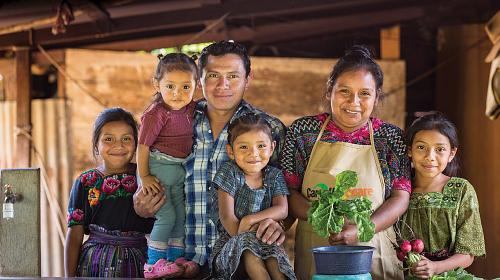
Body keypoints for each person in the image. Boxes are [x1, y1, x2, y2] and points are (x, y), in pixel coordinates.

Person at [133, 40, 287, 278]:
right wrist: (141, 203)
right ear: (199, 79)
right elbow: (150, 165)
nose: (222, 85)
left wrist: (277, 226)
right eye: (213, 75)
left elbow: (283, 191)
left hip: (241, 263)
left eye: (233, 76)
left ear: (248, 78)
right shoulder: (175, 120)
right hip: (182, 265)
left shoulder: (268, 129)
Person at [280, 45, 411, 280]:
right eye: (344, 91)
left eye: (365, 93)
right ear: (330, 91)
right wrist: (324, 218)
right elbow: (287, 191)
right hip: (317, 248)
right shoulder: (302, 133)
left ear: (377, 97)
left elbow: (400, 197)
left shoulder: (391, 138)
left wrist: (362, 228)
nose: (354, 102)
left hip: (374, 250)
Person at [64, 108, 154, 277]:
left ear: (136, 144)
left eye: (126, 139)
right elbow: (75, 235)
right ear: (96, 145)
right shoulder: (85, 182)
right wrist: (69, 277)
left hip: (138, 264)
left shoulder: (145, 178)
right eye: (108, 139)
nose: (118, 145)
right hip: (94, 265)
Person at [210, 113, 296, 280]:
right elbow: (227, 217)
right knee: (249, 248)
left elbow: (282, 209)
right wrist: (249, 232)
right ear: (230, 151)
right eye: (243, 147)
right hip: (231, 246)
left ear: (272, 148)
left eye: (261, 146)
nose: (253, 153)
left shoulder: (274, 175)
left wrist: (249, 220)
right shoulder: (229, 173)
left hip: (261, 239)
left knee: (274, 253)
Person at [401, 112, 486, 279]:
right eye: (421, 147)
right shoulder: (400, 192)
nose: (429, 157)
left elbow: (468, 252)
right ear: (410, 150)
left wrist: (436, 267)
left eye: (439, 149)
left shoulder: (461, 190)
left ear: (451, 154)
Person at [137, 53, 199, 278]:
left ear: (196, 84)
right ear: (157, 84)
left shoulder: (192, 109)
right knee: (167, 217)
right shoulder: (156, 114)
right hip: (156, 169)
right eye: (170, 86)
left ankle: (175, 258)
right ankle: (154, 263)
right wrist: (144, 176)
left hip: (178, 170)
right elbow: (142, 147)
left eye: (185, 87)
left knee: (181, 216)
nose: (177, 93)